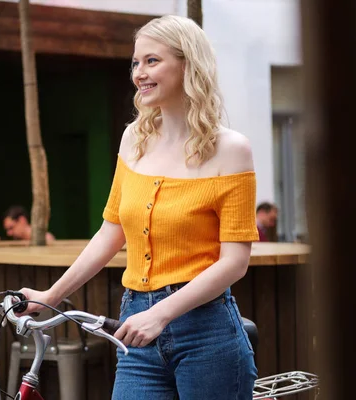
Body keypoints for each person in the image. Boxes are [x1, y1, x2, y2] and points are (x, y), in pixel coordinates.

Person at [16, 15, 259, 400]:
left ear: (187, 64)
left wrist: (162, 314)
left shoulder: (231, 150)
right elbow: (110, 232)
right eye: (135, 62)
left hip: (207, 332)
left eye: (151, 61)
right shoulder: (135, 139)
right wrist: (51, 296)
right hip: (135, 326)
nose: (138, 73)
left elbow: (234, 262)